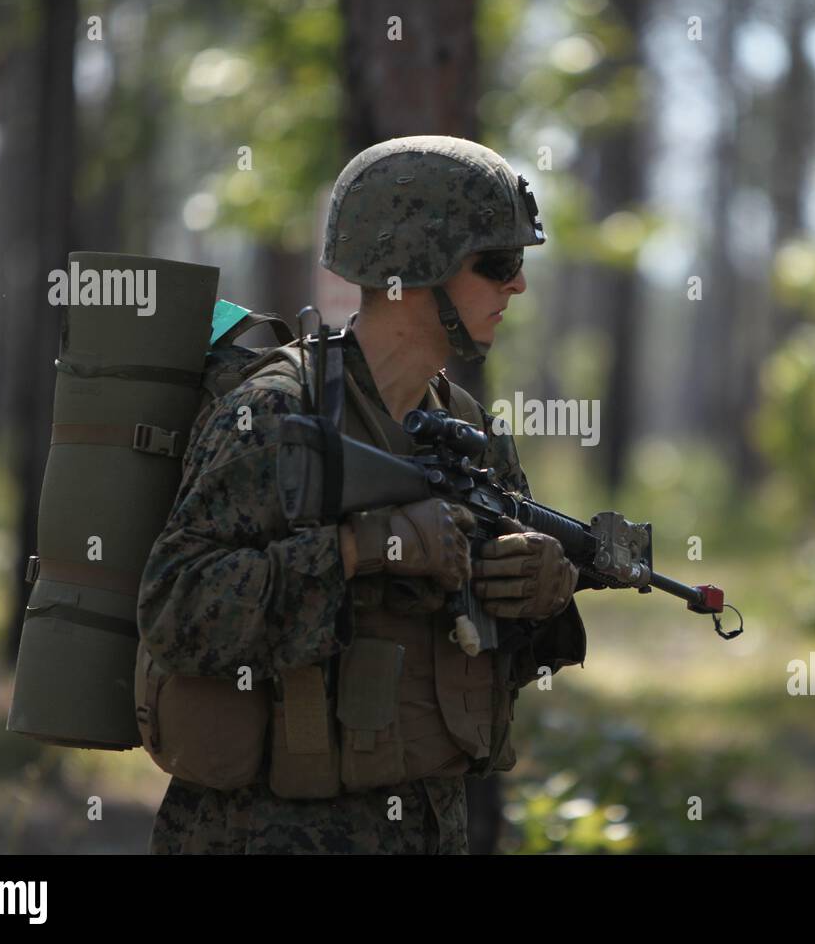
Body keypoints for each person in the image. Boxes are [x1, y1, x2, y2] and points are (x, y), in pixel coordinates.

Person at [138, 135, 587, 854]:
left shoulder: (473, 432)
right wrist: (359, 549)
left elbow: (493, 651)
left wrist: (540, 587)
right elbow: (176, 608)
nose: (518, 286)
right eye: (498, 264)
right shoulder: (279, 414)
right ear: (414, 270)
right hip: (266, 833)